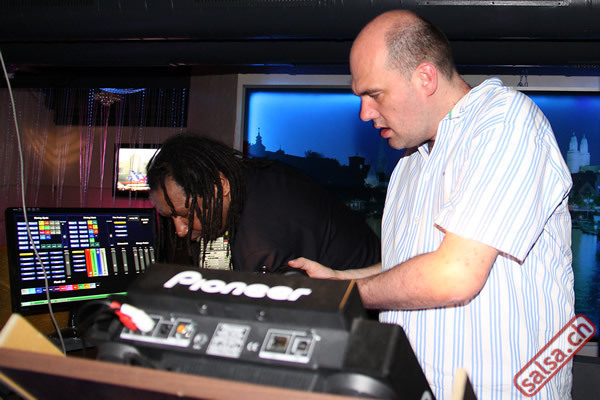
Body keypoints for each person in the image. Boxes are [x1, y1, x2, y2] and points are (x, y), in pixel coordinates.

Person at [288, 10, 574, 399]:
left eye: (374, 94)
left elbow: (454, 274)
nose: (364, 113)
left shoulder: (505, 120)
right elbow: (413, 263)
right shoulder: (410, 162)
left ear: (425, 77)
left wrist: (342, 297)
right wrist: (339, 280)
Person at [146, 133, 381, 275]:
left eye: (186, 214)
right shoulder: (255, 180)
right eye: (170, 218)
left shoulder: (261, 245)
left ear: (220, 185)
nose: (180, 230)